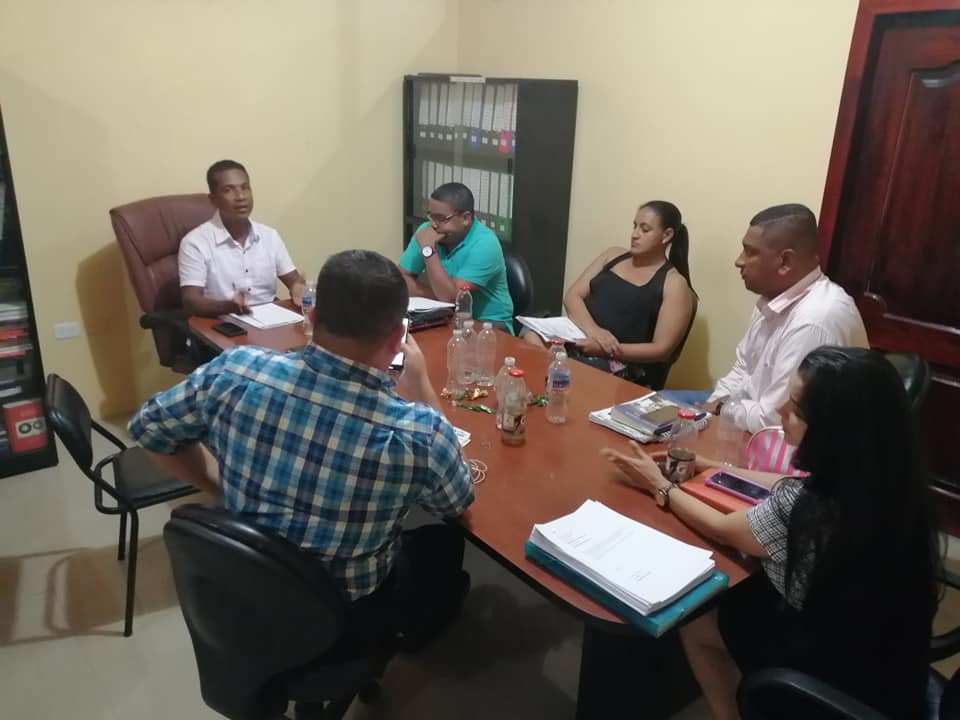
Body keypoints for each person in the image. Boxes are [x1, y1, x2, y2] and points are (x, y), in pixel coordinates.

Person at [130, 249, 475, 651]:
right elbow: (457, 501)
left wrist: (217, 484)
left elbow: (149, 429)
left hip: (246, 586)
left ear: (310, 316)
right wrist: (423, 388)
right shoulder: (417, 433)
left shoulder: (235, 371)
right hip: (346, 616)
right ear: (399, 339)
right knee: (443, 543)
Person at [602, 346, 941, 719]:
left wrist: (660, 487)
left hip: (829, 669)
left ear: (831, 431)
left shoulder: (809, 511)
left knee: (697, 617)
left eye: (795, 408)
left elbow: (722, 528)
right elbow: (789, 481)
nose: (780, 411)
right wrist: (711, 466)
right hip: (890, 664)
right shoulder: (892, 484)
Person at [673, 203, 867, 432]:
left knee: (674, 430)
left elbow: (776, 419)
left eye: (750, 252)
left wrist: (721, 408)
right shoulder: (773, 297)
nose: (739, 261)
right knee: (659, 407)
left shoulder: (814, 320)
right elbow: (743, 367)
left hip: (790, 440)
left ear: (785, 262)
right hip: (747, 411)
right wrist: (714, 405)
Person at [526, 200, 695, 389]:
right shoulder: (613, 255)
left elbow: (661, 349)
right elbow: (573, 296)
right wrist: (594, 331)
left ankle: (551, 389)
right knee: (531, 339)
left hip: (620, 362)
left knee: (567, 371)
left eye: (645, 229)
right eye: (634, 226)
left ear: (667, 235)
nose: (635, 234)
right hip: (582, 339)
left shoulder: (674, 284)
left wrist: (606, 349)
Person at [178, 159, 306, 317]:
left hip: (270, 320)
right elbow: (191, 301)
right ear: (213, 199)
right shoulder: (195, 243)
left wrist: (299, 290)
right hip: (221, 322)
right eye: (228, 190)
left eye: (245, 188)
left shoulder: (269, 236)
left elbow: (294, 282)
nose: (240, 196)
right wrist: (229, 307)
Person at [398, 182, 514, 331]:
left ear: (465, 218)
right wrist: (436, 296)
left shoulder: (486, 243)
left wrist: (428, 250)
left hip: (488, 324)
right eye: (431, 216)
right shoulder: (427, 231)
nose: (433, 225)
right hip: (443, 317)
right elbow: (400, 280)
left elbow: (450, 297)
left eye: (441, 218)